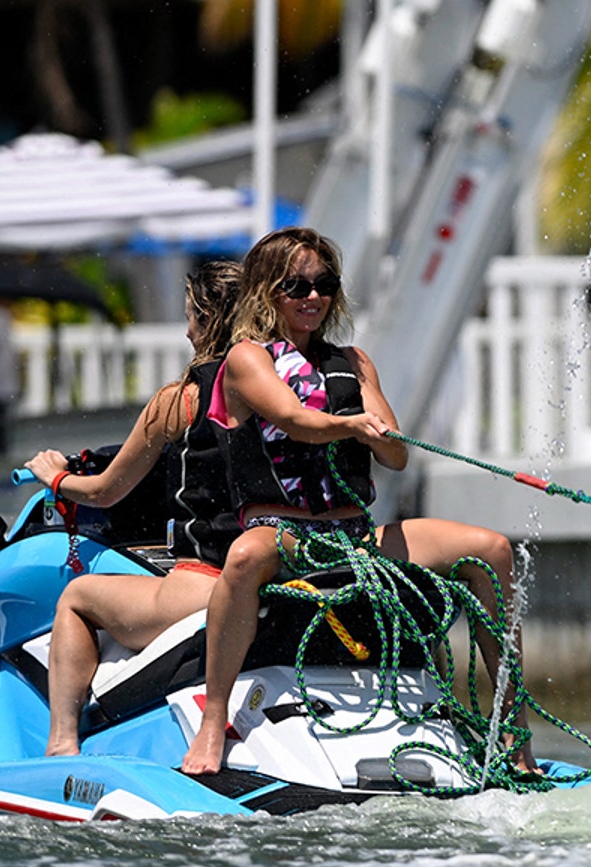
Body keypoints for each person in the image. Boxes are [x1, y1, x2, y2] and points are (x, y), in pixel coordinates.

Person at [180, 227, 532, 777]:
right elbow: (294, 420)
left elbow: (397, 457)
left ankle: (513, 730)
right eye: (296, 285)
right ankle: (213, 720)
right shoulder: (247, 359)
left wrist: (380, 435)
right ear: (267, 290)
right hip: (284, 533)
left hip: (356, 535)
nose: (313, 296)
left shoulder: (354, 362)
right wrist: (350, 425)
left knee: (491, 550)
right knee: (245, 558)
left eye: (324, 284)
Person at [23, 260, 243, 757]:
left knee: (78, 597)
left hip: (203, 587)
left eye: (191, 317)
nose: (186, 331)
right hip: (270, 573)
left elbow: (105, 491)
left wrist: (56, 477)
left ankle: (61, 745)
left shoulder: (181, 400)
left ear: (208, 319)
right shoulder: (281, 396)